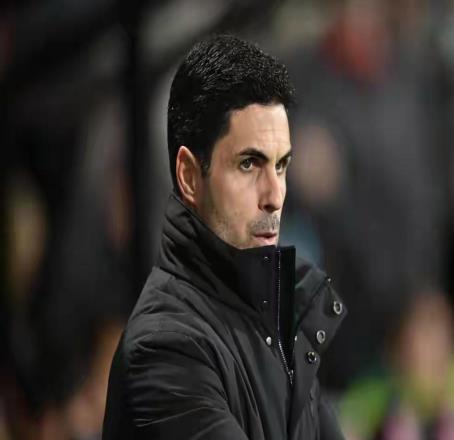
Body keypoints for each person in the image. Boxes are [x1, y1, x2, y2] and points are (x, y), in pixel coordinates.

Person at [102, 34, 347, 440]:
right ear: (189, 176)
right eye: (249, 164)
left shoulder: (282, 325)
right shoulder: (163, 349)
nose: (275, 196)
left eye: (281, 166)